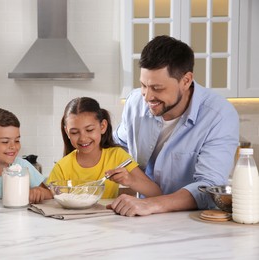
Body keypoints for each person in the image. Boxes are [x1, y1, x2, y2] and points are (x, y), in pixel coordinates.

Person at [111, 35, 239, 216]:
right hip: (141, 217)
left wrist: (152, 204)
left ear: (186, 81)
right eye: (143, 85)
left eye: (157, 88)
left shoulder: (219, 116)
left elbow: (209, 186)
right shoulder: (135, 102)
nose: (147, 97)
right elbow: (119, 146)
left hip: (192, 223)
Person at [46, 97, 162, 199]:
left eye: (89, 130)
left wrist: (131, 180)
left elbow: (156, 193)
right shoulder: (62, 167)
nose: (83, 138)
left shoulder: (117, 156)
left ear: (102, 126)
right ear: (67, 132)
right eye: (75, 132)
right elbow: (50, 196)